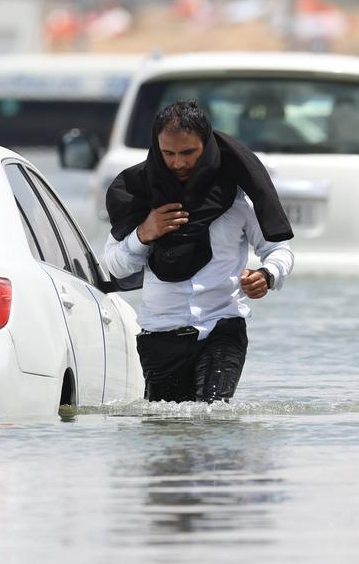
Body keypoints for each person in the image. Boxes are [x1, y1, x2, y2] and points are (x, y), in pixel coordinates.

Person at [103, 100, 295, 403]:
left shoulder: (235, 198)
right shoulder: (139, 195)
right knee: (166, 432)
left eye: (188, 153)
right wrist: (144, 233)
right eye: (168, 154)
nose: (178, 163)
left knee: (213, 414)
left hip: (223, 327)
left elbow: (278, 248)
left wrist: (267, 275)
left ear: (205, 146)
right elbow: (115, 266)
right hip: (160, 335)